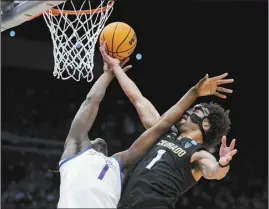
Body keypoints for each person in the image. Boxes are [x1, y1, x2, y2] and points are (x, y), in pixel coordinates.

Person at [57, 43, 235, 208]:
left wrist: (222, 164)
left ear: (205, 124)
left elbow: (213, 172)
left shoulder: (199, 154)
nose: (186, 112)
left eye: (194, 111)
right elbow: (138, 99)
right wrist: (116, 68)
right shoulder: (163, 132)